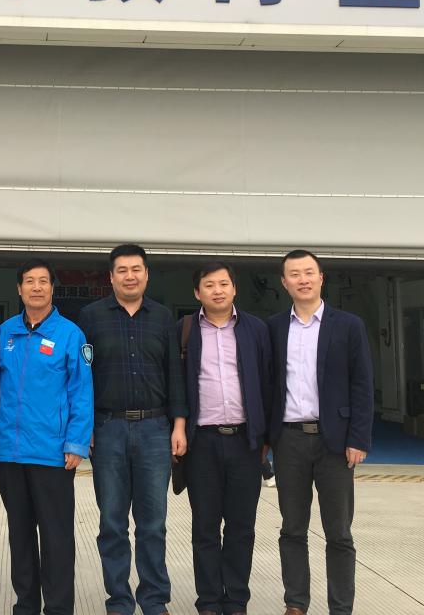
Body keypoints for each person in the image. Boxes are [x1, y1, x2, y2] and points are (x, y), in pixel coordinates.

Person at [78, 244, 188, 615]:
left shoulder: (162, 317)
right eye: (122, 270)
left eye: (136, 269)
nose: (130, 276)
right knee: (112, 522)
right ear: (111, 277)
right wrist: (86, 426)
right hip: (107, 428)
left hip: (155, 429)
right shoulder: (91, 317)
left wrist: (179, 424)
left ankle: (154, 599)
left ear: (146, 274)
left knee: (153, 524)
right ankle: (119, 601)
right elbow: (82, 377)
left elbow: (175, 375)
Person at [268, 250, 374, 615]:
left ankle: (340, 607)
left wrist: (358, 438)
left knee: (339, 533)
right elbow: (267, 384)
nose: (303, 279)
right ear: (284, 283)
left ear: (321, 278)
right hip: (289, 440)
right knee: (292, 529)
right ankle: (296, 603)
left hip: (336, 442)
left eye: (309, 272)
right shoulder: (274, 327)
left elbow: (362, 384)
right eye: (295, 274)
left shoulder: (348, 325)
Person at [0, 259, 93, 615]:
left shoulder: (70, 334)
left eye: (43, 281)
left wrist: (76, 442)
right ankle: (25, 605)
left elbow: (81, 391)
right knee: (19, 535)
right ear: (19, 289)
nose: (36, 287)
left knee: (56, 537)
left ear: (53, 288)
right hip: (10, 452)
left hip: (53, 453)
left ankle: (58, 607)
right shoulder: (4, 332)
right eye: (29, 281)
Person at [178, 261, 272, 615]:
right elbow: (177, 384)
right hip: (201, 442)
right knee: (204, 526)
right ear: (196, 292)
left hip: (245, 442)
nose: (217, 290)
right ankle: (208, 601)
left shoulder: (256, 329)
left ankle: (236, 600)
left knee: (241, 527)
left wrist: (266, 436)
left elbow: (268, 382)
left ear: (234, 288)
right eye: (209, 284)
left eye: (223, 284)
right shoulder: (184, 330)